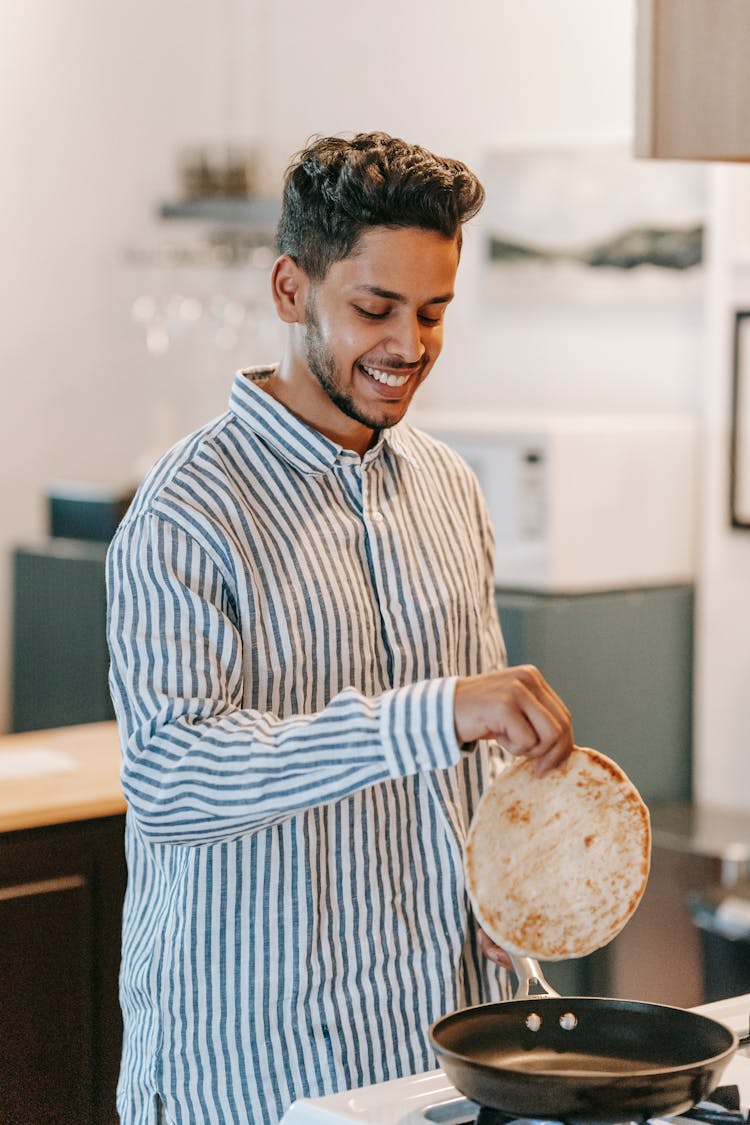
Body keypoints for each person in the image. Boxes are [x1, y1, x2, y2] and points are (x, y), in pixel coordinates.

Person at [106, 131, 574, 1125]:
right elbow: (174, 779)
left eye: (434, 312)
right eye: (375, 309)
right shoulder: (187, 511)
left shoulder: (449, 489)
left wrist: (508, 896)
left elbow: (471, 771)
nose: (410, 345)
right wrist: (430, 714)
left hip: (439, 1053)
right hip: (255, 1073)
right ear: (290, 290)